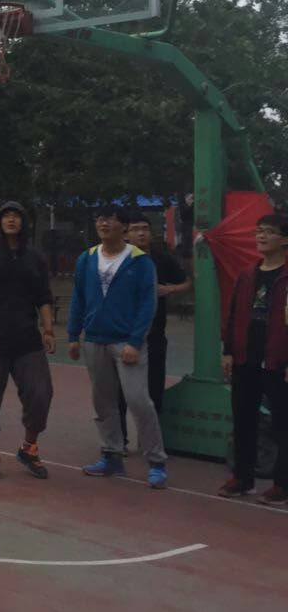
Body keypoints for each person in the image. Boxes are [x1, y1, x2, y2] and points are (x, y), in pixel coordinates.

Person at [67, 204, 166, 489]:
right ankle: (111, 454)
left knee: (138, 401)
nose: (104, 224)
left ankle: (156, 461)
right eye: (100, 219)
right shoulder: (86, 258)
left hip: (126, 343)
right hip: (94, 340)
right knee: (103, 402)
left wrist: (135, 341)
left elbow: (147, 304)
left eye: (110, 220)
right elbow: (78, 298)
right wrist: (73, 335)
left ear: (123, 227)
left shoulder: (139, 261)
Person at [0, 201, 56, 480]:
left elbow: (43, 296)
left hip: (27, 339)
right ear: (0, 222)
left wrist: (48, 330)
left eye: (16, 216)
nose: (11, 220)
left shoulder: (35, 257)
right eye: (6, 216)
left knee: (41, 393)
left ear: (24, 222)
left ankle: (29, 448)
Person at [217, 212, 288, 504]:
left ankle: (282, 484)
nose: (261, 236)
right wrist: (229, 351)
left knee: (282, 424)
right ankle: (242, 478)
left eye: (269, 231)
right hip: (246, 358)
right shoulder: (247, 275)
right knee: (243, 418)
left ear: (285, 239)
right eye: (259, 231)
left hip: (278, 361)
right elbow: (233, 315)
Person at [119, 211, 191, 443]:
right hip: (121, 335)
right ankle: (119, 440)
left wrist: (168, 289)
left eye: (145, 229)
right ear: (126, 234)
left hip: (155, 334)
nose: (141, 233)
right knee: (119, 391)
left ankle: (150, 441)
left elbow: (187, 283)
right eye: (135, 229)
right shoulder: (117, 259)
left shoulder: (162, 260)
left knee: (153, 390)